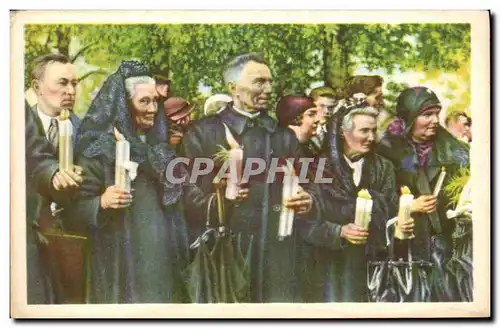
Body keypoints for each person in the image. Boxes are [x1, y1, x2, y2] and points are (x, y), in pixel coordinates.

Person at [181, 53, 320, 302]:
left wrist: (307, 200)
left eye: (269, 81)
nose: (268, 89)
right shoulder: (203, 133)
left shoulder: (284, 136)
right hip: (228, 256)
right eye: (259, 82)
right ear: (232, 87)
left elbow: (312, 184)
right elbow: (187, 195)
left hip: (280, 256)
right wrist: (221, 200)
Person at [68, 61, 189, 303]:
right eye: (144, 101)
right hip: (120, 262)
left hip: (162, 259)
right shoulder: (98, 150)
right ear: (124, 104)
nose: (153, 108)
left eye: (155, 100)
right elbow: (73, 211)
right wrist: (101, 202)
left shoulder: (161, 148)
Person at [300, 100, 403, 302]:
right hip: (328, 269)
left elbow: (392, 213)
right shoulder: (314, 167)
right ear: (342, 132)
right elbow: (304, 222)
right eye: (364, 131)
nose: (371, 138)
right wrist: (339, 231)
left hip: (371, 268)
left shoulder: (385, 168)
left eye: (374, 131)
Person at [376, 86, 470, 302]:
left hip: (443, 246)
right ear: (409, 117)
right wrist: (408, 205)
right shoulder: (385, 151)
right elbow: (373, 198)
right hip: (404, 247)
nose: (435, 120)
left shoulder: (452, 150)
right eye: (427, 114)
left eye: (437, 113)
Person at [26, 53, 84, 303]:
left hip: (70, 243)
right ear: (36, 87)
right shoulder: (14, 124)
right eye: (62, 83)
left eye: (75, 83)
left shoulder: (87, 131)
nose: (70, 90)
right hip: (26, 241)